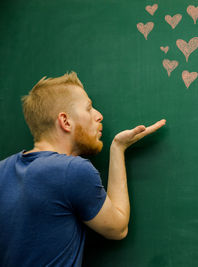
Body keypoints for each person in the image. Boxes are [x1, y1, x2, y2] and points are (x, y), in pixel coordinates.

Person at [0, 71, 166, 266]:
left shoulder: (3, 169)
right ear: (65, 121)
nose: (99, 115)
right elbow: (118, 228)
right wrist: (118, 148)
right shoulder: (71, 170)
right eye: (89, 108)